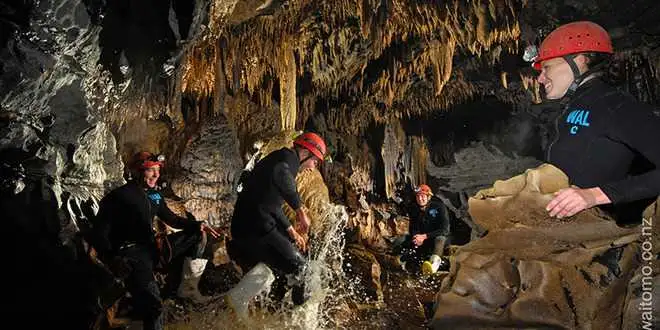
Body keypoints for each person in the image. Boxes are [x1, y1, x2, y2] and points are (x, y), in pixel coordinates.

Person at [532, 21, 660, 224]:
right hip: (561, 229)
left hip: (597, 238)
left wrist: (594, 196)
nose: (540, 78)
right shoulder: (571, 107)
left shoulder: (616, 105)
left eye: (547, 67)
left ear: (579, 60)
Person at [91, 151, 209, 330]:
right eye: (150, 171)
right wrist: (112, 258)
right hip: (131, 256)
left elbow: (173, 220)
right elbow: (99, 233)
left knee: (197, 235)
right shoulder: (119, 196)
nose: (156, 175)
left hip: (152, 249)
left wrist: (197, 224)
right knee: (154, 307)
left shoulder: (155, 196)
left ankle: (185, 288)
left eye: (158, 170)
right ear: (138, 172)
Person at [225, 132, 327, 317]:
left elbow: (271, 203)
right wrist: (300, 210)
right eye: (316, 161)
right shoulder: (286, 160)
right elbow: (281, 174)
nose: (313, 167)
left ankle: (240, 298)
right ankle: (299, 320)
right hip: (255, 229)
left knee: (281, 264)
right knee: (303, 270)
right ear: (305, 152)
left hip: (249, 227)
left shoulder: (280, 159)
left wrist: (291, 231)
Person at [393, 184, 451, 275]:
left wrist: (424, 236)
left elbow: (445, 230)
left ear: (428, 197)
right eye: (418, 196)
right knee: (401, 239)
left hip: (436, 239)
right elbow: (413, 227)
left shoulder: (439, 207)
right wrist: (416, 237)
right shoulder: (414, 209)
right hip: (422, 240)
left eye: (423, 196)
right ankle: (397, 260)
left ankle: (433, 265)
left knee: (440, 238)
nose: (420, 199)